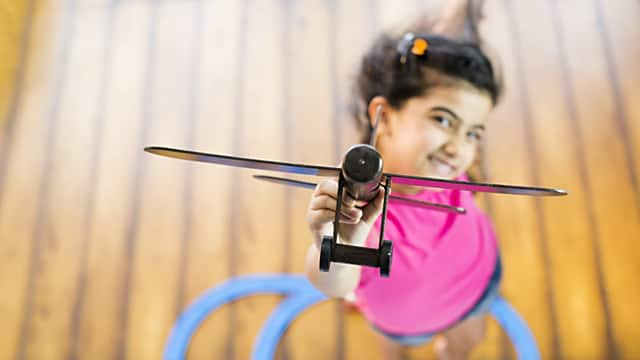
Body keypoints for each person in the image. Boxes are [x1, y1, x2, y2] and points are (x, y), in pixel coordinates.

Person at [304, 1, 504, 359]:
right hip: (405, 321)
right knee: (392, 352)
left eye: (474, 133)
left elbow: (449, 42)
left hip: (479, 280)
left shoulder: (436, 159)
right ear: (384, 114)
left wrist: (465, 10)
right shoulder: (353, 205)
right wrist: (339, 244)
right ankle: (361, 292)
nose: (458, 148)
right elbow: (328, 282)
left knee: (467, 344)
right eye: (443, 121)